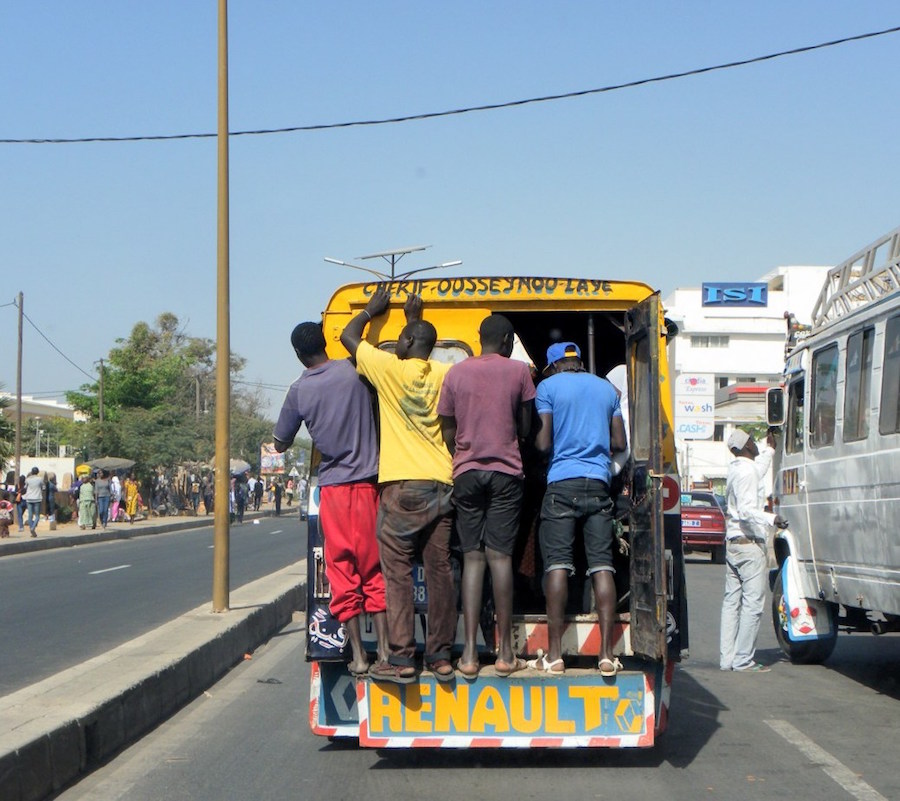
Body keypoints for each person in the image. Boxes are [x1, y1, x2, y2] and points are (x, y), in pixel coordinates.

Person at [340, 287, 457, 684]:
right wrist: (414, 322)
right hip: (442, 483)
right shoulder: (445, 374)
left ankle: (404, 658)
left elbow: (348, 337)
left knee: (397, 573)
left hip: (401, 487)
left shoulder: (388, 369)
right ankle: (441, 656)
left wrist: (374, 311)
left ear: (404, 342)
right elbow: (420, 349)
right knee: (440, 571)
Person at [273, 320, 389, 676]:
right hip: (370, 486)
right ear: (325, 342)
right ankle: (385, 654)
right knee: (374, 569)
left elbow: (280, 442)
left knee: (342, 572)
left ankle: (358, 655)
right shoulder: (354, 370)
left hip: (334, 490)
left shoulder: (298, 391)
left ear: (297, 354)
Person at [438, 313, 535, 678]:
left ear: (479, 339)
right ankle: (506, 654)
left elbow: (448, 428)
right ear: (508, 339)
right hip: (506, 473)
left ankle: (467, 655)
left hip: (465, 472)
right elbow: (525, 427)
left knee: (472, 559)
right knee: (501, 559)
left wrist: (463, 453)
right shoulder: (518, 372)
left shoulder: (456, 373)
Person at [531, 342, 627, 677]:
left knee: (557, 565)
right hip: (598, 486)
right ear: (579, 362)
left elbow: (542, 444)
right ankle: (605, 654)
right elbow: (619, 444)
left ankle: (555, 656)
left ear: (555, 365)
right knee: (602, 566)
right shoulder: (607, 389)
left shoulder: (547, 387)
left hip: (561, 486)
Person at [719, 428, 788, 673]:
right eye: (752, 439)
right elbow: (748, 511)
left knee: (731, 602)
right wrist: (773, 518)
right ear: (747, 445)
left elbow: (757, 470)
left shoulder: (738, 469)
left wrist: (770, 449)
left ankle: (727, 659)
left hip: (734, 542)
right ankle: (743, 660)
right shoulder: (746, 471)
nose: (755, 442)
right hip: (749, 544)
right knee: (752, 604)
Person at [24, 467, 44, 537]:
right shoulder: (40, 479)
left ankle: (31, 528)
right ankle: (33, 528)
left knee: (30, 515)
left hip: (29, 498)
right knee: (37, 515)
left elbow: (25, 487)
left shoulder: (28, 479)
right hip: (37, 498)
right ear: (37, 472)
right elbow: (43, 488)